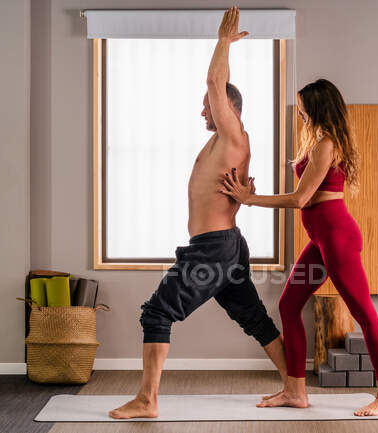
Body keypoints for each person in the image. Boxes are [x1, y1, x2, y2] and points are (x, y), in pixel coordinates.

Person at [109, 7, 287, 419]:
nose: (203, 111)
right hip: (222, 246)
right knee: (254, 318)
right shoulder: (222, 142)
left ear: (227, 105)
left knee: (157, 312)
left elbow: (214, 80)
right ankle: (295, 387)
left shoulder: (233, 133)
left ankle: (146, 401)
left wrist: (223, 41)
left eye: (208, 105)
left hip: (213, 248)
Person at [220, 78, 378, 416]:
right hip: (321, 239)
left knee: (363, 313)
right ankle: (295, 390)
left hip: (337, 238)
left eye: (303, 107)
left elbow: (301, 199)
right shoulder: (318, 141)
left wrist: (249, 199)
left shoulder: (327, 144)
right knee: (289, 304)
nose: (300, 113)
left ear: (317, 106)